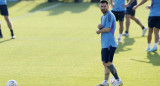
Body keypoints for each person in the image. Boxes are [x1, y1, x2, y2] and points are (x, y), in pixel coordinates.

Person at [96, 0, 123, 86]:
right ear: (99, 7)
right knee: (105, 63)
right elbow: (104, 27)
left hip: (110, 44)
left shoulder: (109, 15)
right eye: (101, 6)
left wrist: (98, 31)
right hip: (105, 44)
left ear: (108, 6)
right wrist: (100, 26)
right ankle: (105, 81)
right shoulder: (103, 16)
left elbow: (107, 29)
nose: (103, 8)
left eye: (104, 6)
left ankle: (118, 79)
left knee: (108, 63)